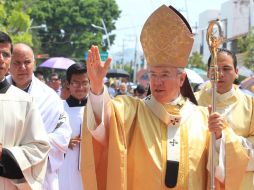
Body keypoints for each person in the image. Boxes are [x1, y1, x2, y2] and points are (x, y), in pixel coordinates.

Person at [80, 5, 226, 190]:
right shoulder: (131, 112)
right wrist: (97, 86)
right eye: (153, 74)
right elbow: (101, 128)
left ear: (181, 79)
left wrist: (219, 137)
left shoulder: (203, 118)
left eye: (165, 74)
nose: (157, 81)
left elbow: (218, 172)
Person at [7, 43, 72, 190]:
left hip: (39, 176)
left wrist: (33, 146)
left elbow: (63, 135)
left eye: (27, 62)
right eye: (16, 62)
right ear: (9, 64)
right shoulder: (2, 92)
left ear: (34, 64)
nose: (22, 67)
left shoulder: (50, 98)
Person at [195, 48, 254, 189]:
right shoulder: (193, 102)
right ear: (208, 72)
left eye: (226, 68)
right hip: (200, 180)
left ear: (236, 72)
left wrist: (224, 136)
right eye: (215, 69)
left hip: (238, 183)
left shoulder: (250, 105)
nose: (220, 74)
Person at [0, 31, 50, 189]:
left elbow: (40, 149)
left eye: (5, 54)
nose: (1, 59)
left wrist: (5, 156)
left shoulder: (26, 102)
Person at [59, 63, 90, 190]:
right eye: (76, 83)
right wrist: (63, 142)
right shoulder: (59, 109)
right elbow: (45, 137)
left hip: (89, 168)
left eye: (85, 82)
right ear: (68, 84)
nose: (80, 87)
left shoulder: (96, 110)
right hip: (65, 168)